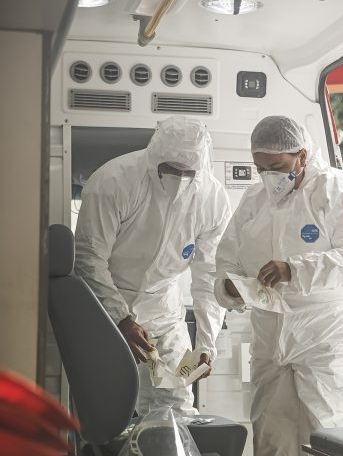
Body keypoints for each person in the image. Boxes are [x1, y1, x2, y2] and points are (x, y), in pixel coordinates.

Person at [214, 115, 343, 456]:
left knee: (325, 431)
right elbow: (227, 256)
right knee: (271, 434)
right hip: (269, 335)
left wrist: (295, 269)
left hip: (323, 336)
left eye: (275, 167)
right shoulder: (254, 198)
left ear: (302, 155)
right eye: (259, 168)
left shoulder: (337, 190)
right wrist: (228, 286)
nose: (267, 176)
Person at [74, 115, 231, 416]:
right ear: (154, 158)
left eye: (189, 172)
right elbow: (89, 257)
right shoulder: (113, 181)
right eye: (170, 170)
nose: (180, 178)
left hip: (164, 312)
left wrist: (206, 345)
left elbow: (209, 276)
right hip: (107, 304)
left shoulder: (213, 200)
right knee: (108, 406)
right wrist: (120, 317)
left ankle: (167, 447)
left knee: (176, 401)